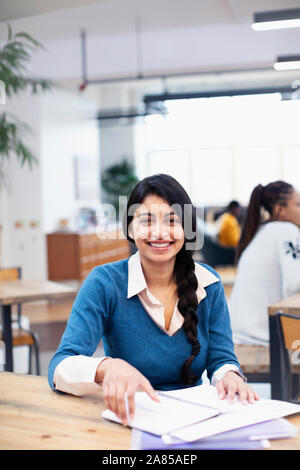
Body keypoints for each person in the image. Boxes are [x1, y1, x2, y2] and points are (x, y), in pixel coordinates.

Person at [48, 174, 258, 426]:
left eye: (172, 221)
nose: (159, 233)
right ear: (130, 228)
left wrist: (230, 376)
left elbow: (222, 359)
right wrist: (106, 367)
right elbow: (60, 365)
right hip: (129, 419)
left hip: (196, 420)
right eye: (146, 220)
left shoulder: (208, 283)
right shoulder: (105, 282)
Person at [228, 181, 300, 346]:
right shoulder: (287, 230)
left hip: (239, 333)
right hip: (263, 337)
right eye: (297, 204)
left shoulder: (259, 232)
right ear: (279, 209)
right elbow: (295, 285)